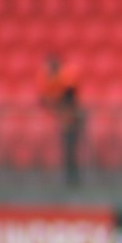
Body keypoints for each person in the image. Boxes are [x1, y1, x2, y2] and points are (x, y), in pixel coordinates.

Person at [37, 53, 84, 187]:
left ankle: (73, 177)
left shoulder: (65, 76)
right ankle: (70, 177)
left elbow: (69, 95)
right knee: (68, 149)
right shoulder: (52, 79)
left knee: (71, 148)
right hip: (65, 118)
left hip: (72, 119)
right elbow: (44, 99)